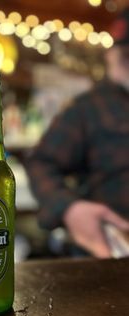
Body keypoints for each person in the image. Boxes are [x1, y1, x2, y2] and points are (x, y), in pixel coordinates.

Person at [26, 8, 129, 258]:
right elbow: (41, 162)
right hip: (112, 255)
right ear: (114, 56)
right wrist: (70, 208)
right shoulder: (89, 107)